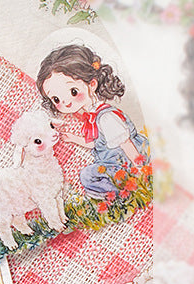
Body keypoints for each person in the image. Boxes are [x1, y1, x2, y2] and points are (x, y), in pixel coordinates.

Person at [37, 43, 149, 200]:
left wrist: (141, 169)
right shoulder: (92, 117)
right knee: (89, 175)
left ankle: (123, 193)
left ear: (92, 84)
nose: (66, 102)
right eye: (56, 99)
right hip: (113, 163)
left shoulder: (106, 117)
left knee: (88, 175)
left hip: (125, 162)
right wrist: (72, 138)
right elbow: (97, 143)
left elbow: (126, 144)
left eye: (73, 92)